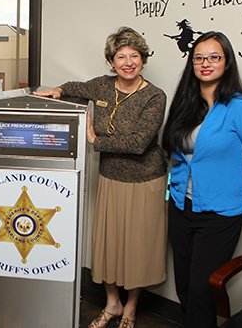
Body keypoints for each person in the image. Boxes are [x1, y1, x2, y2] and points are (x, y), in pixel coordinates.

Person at [34, 27, 167, 328]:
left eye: (135, 56)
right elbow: (77, 87)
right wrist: (58, 90)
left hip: (145, 181)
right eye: (121, 56)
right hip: (110, 177)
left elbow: (138, 143)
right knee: (108, 245)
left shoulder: (155, 96)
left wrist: (95, 140)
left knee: (137, 247)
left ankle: (131, 306)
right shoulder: (104, 87)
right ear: (111, 61)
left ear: (143, 60)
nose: (128, 62)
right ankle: (112, 304)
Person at [162, 31, 242, 328]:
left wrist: (238, 182)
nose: (206, 63)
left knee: (201, 291)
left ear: (227, 62)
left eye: (214, 57)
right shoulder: (186, 103)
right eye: (199, 58)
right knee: (185, 286)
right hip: (181, 207)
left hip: (219, 214)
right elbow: (176, 152)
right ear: (192, 64)